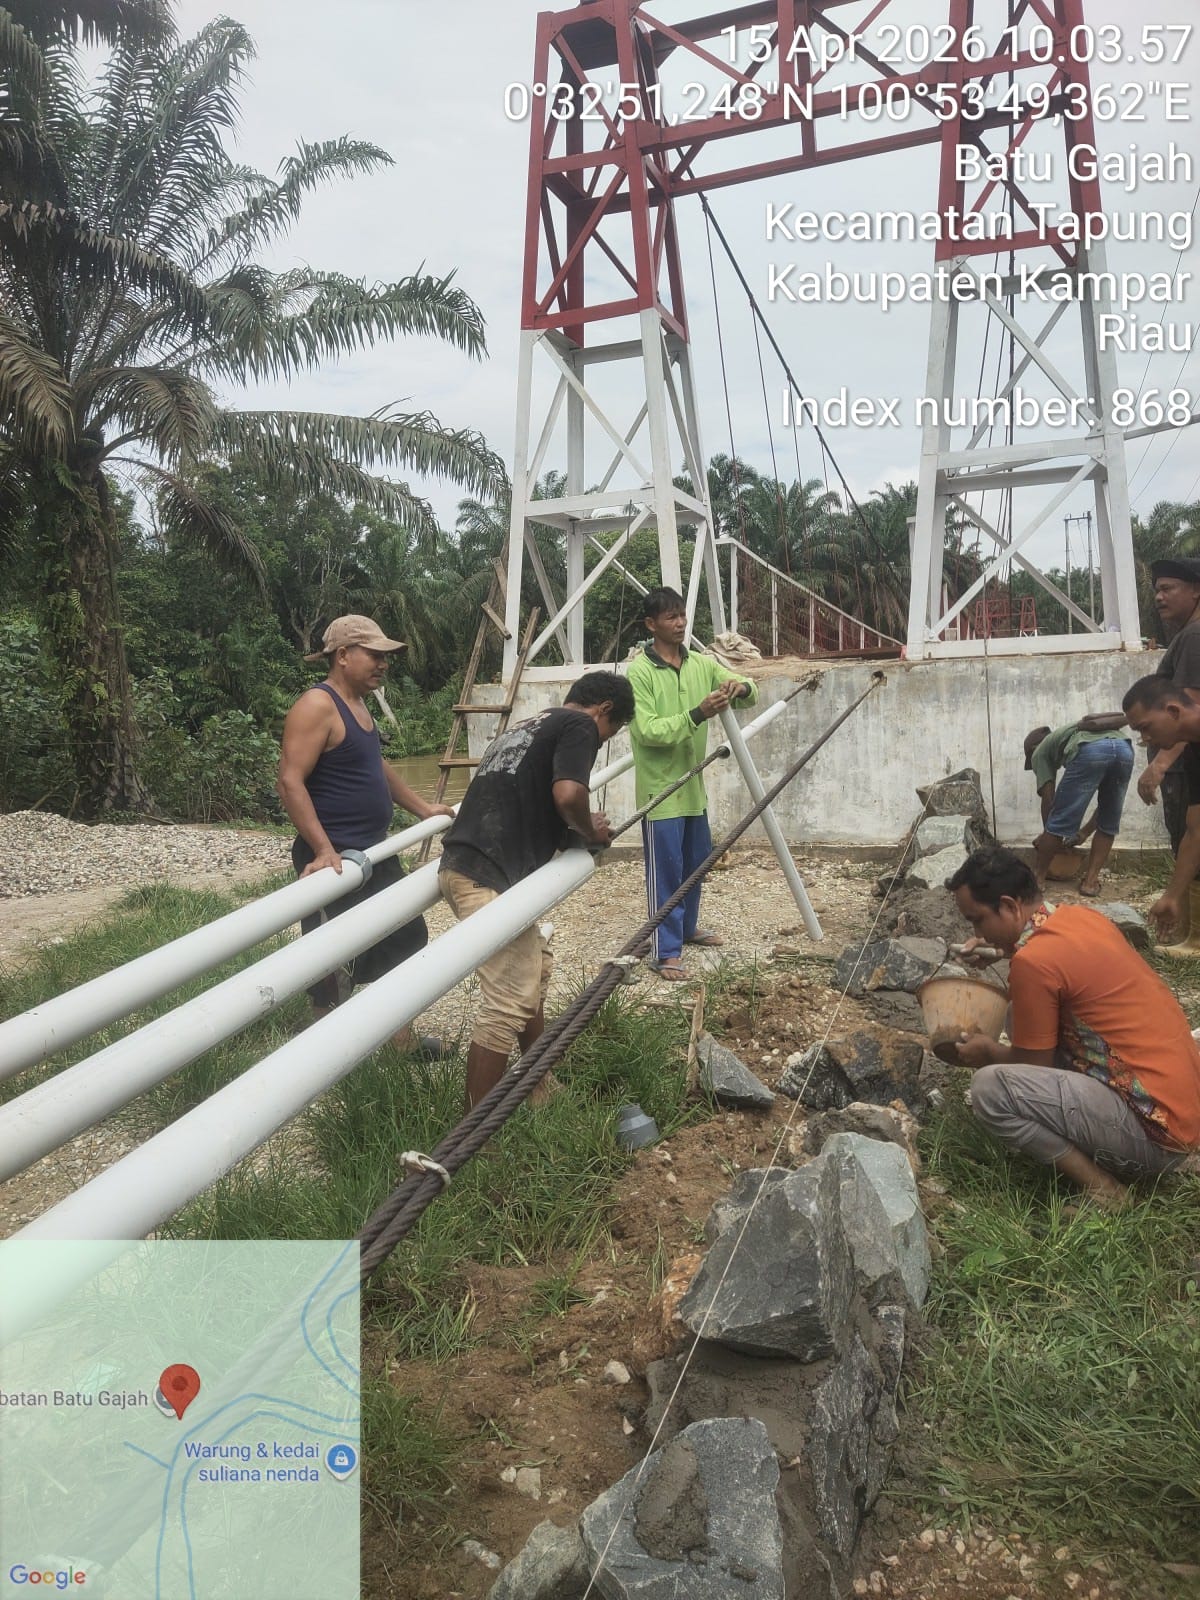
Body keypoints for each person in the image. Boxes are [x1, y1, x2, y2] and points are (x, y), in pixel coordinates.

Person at [948, 846, 1200, 1206]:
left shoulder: (1035, 963)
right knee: (1017, 1013)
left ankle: (1104, 1189)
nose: (976, 931)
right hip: (1182, 1109)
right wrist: (1000, 948)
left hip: (1159, 1136)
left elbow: (1033, 1067)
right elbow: (1050, 970)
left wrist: (988, 1053)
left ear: (1008, 906)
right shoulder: (1079, 918)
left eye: (977, 920)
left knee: (990, 1090)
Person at [438, 670, 635, 1109]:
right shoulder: (580, 725)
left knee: (535, 968)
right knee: (509, 996)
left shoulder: (527, 726)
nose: (600, 743)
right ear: (603, 711)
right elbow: (567, 796)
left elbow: (528, 802)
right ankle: (474, 1132)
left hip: (466, 865)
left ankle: (537, 1085)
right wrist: (591, 831)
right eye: (611, 733)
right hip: (484, 876)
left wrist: (573, 832)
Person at [277, 614, 454, 1045]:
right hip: (335, 855)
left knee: (404, 935)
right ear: (342, 655)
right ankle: (324, 1044)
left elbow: (374, 766)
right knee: (331, 955)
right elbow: (289, 780)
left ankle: (399, 1039)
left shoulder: (357, 704)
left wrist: (422, 809)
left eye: (385, 656)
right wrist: (321, 849)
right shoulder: (317, 705)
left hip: (373, 849)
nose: (383, 664)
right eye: (374, 655)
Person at [627, 587, 759, 981]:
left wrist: (741, 687)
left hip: (692, 791)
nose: (681, 623)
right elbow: (648, 731)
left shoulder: (702, 663)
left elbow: (748, 691)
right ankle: (665, 952)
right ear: (652, 625)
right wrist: (697, 714)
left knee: (696, 864)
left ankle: (686, 929)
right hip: (660, 793)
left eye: (682, 615)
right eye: (670, 617)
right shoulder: (639, 672)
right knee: (665, 872)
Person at [1133, 557, 1200, 952]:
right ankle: (1191, 934)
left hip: (1182, 762)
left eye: (1168, 588)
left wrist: (1160, 763)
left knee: (1187, 835)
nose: (1159, 596)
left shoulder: (1193, 637)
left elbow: (1190, 704)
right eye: (1156, 589)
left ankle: (1191, 937)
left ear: (1196, 590)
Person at [1122, 675, 1200, 949]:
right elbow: (1196, 831)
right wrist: (1172, 897)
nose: (1146, 739)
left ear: (1173, 711)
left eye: (1145, 728)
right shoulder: (1193, 751)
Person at [1022, 718, 1133, 896]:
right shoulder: (1067, 733)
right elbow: (1104, 809)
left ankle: (1038, 878)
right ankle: (1090, 882)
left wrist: (1047, 836)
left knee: (1059, 819)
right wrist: (1083, 833)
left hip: (1089, 750)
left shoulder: (1039, 752)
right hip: (1124, 749)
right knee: (1110, 817)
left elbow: (1049, 800)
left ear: (1032, 750)